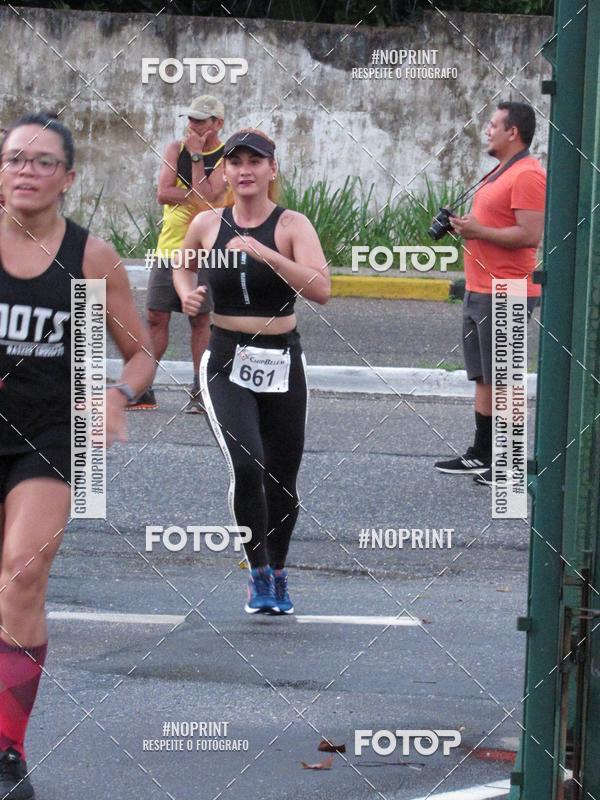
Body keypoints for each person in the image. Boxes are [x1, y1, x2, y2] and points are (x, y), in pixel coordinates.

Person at [0, 112, 155, 798]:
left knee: (22, 576)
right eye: (13, 159)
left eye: (40, 161)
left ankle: (6, 751)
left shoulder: (91, 255)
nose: (24, 171)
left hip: (50, 438)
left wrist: (119, 395)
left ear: (66, 177)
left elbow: (141, 351)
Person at [173, 129, 330, 614]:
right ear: (225, 172)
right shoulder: (206, 223)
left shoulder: (291, 225)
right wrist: (187, 293)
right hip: (225, 357)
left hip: (282, 358)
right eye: (235, 162)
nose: (244, 170)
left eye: (254, 162)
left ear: (271, 170)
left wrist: (269, 256)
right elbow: (183, 265)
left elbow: (321, 288)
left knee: (282, 477)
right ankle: (257, 571)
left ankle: (279, 571)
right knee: (247, 465)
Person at [434, 101, 546, 485]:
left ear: (512, 132)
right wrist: (461, 226)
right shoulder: (499, 172)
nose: (487, 129)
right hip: (480, 287)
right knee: (485, 377)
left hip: (509, 289)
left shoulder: (529, 175)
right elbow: (491, 225)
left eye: (493, 124)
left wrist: (478, 232)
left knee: (506, 381)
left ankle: (510, 466)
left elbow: (529, 235)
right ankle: (482, 454)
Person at [132, 95, 227, 412]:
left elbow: (204, 202)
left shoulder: (226, 158)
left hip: (204, 252)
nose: (193, 126)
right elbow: (163, 193)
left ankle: (202, 392)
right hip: (169, 247)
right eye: (191, 119)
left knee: (199, 320)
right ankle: (143, 388)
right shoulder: (176, 149)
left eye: (201, 120)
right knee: (156, 316)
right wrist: (196, 195)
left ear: (217, 124)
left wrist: (198, 159)